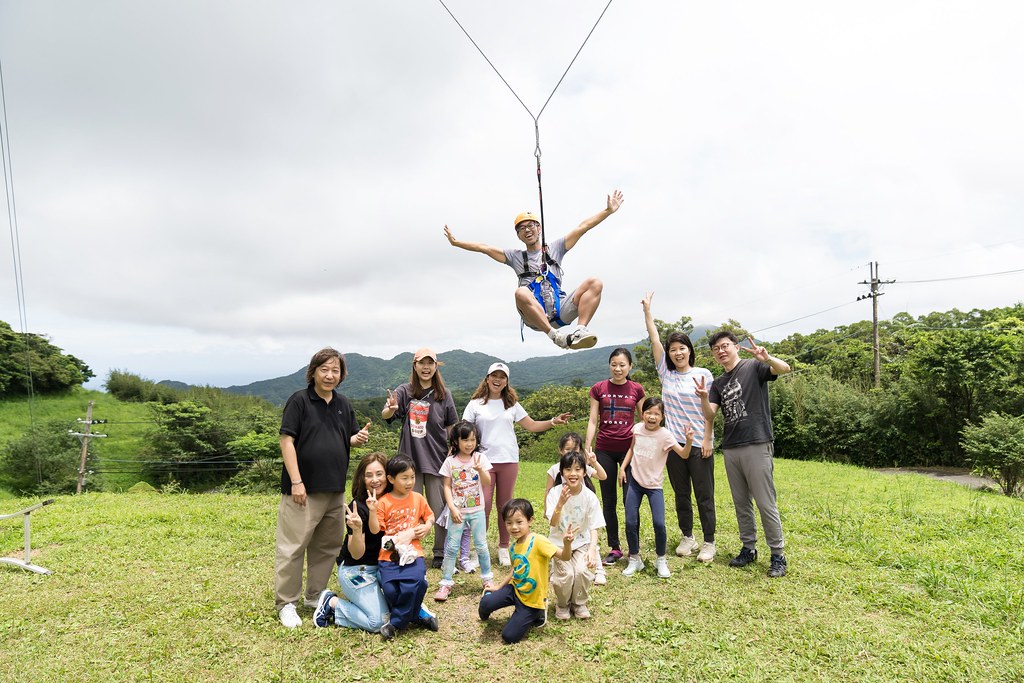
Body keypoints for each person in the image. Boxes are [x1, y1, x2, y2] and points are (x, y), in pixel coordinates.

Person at [443, 190, 624, 350]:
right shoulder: (515, 257)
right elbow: (484, 247)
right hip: (536, 317)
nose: (527, 230)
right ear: (518, 235)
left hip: (559, 309)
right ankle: (555, 337)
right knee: (521, 292)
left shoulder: (556, 248)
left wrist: (607, 211)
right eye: (521, 228)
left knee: (595, 282)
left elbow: (582, 227)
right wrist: (456, 243)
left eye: (530, 225)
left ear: (539, 228)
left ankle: (579, 330)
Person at [275, 347, 369, 629]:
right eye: (324, 369)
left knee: (327, 547)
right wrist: (296, 481)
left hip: (335, 489)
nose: (329, 375)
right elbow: (286, 441)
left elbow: (346, 437)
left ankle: (314, 596)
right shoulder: (300, 401)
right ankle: (287, 603)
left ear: (341, 375)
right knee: (293, 547)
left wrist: (357, 438)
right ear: (313, 371)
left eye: (335, 370)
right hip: (302, 489)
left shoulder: (343, 404)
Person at [695, 332, 792, 578]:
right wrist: (705, 398)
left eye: (725, 345)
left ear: (736, 347)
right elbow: (710, 415)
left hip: (757, 441)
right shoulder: (717, 383)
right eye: (716, 348)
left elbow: (785, 369)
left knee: (764, 501)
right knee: (741, 503)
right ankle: (749, 548)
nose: (721, 350)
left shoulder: (753, 366)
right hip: (731, 446)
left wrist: (768, 359)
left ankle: (778, 554)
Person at [312, 452, 437, 632]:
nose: (375, 480)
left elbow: (420, 517)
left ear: (389, 477)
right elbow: (356, 554)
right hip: (357, 570)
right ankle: (332, 605)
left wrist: (423, 527)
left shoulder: (397, 498)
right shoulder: (358, 507)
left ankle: (411, 610)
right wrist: (356, 529)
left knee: (407, 591)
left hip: (384, 567)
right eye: (368, 475)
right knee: (378, 622)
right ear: (362, 479)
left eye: (379, 474)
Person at [462, 362, 571, 566]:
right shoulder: (475, 404)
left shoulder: (511, 404)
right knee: (481, 506)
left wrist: (553, 421)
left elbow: (531, 425)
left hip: (509, 460)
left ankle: (504, 548)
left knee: (506, 507)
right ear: (487, 379)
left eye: (502, 376)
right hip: (482, 461)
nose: (497, 379)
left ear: (506, 381)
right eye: (494, 375)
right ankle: (479, 549)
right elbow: (464, 429)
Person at [641, 292, 717, 563]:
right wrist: (648, 312)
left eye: (681, 348)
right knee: (681, 493)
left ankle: (709, 542)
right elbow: (654, 339)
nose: (677, 352)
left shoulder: (704, 375)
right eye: (673, 349)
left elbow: (710, 413)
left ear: (689, 350)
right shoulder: (666, 374)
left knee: (704, 495)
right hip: (674, 445)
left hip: (699, 444)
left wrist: (707, 438)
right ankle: (688, 536)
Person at [382, 348, 458, 569]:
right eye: (421, 363)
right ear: (414, 366)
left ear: (436, 366)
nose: (426, 368)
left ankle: (441, 553)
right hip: (409, 463)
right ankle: (409, 549)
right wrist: (390, 409)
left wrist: (453, 449)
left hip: (436, 460)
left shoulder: (444, 394)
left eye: (430, 363)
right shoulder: (405, 391)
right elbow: (387, 413)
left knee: (438, 509)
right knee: (408, 510)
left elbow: (451, 424)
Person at [478, 498, 576, 644]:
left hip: (532, 600)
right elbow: (515, 569)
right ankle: (496, 607)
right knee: (485, 604)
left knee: (509, 636)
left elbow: (565, 557)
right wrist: (498, 587)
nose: (514, 527)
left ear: (530, 521)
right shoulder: (513, 547)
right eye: (509, 522)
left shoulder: (538, 541)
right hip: (514, 589)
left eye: (519, 522)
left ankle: (537, 614)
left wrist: (567, 544)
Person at [618, 398, 694, 578]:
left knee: (659, 524)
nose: (652, 417)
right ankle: (635, 559)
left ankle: (661, 560)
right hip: (634, 482)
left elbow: (683, 454)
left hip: (654, 486)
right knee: (630, 522)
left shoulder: (665, 435)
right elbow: (631, 449)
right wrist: (622, 468)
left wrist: (688, 441)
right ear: (642, 414)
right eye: (648, 413)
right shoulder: (636, 429)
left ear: (662, 417)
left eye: (656, 414)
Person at [585, 347, 646, 566]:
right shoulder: (598, 388)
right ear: (609, 365)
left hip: (630, 451)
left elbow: (644, 419)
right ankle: (615, 548)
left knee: (631, 500)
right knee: (608, 500)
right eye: (614, 364)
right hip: (604, 450)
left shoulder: (637, 389)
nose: (618, 368)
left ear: (630, 366)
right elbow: (593, 420)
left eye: (622, 365)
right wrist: (587, 445)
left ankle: (634, 548)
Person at [370, 454, 438, 640]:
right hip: (388, 556)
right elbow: (377, 530)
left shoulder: (418, 498)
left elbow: (430, 516)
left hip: (413, 553)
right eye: (404, 478)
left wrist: (427, 525)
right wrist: (372, 510)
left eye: (412, 477)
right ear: (391, 479)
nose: (410, 482)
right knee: (392, 590)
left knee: (414, 583)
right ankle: (416, 615)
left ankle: (396, 624)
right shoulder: (383, 502)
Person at [434, 420, 496, 601]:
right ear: (456, 441)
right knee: (452, 547)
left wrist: (480, 470)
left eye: (473, 440)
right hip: (458, 512)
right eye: (465, 440)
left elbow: (487, 483)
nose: (470, 444)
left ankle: (487, 580)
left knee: (481, 545)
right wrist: (452, 507)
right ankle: (445, 583)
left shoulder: (480, 459)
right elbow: (446, 486)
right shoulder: (450, 462)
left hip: (477, 510)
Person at [545, 451, 604, 619]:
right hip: (558, 544)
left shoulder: (589, 496)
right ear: (562, 472)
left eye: (578, 469)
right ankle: (562, 604)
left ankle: (579, 603)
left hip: (581, 543)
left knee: (582, 570)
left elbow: (594, 526)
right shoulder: (555, 493)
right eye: (568, 469)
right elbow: (553, 523)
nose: (573, 474)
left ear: (584, 473)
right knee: (567, 574)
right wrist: (560, 503)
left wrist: (592, 549)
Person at [543, 432, 608, 586]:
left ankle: (599, 569)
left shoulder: (582, 466)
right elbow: (548, 491)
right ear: (560, 450)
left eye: (575, 449)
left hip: (581, 511)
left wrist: (594, 462)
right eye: (567, 449)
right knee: (560, 540)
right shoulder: (555, 470)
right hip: (564, 509)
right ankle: (556, 569)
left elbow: (603, 476)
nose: (571, 452)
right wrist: (549, 509)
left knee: (588, 538)